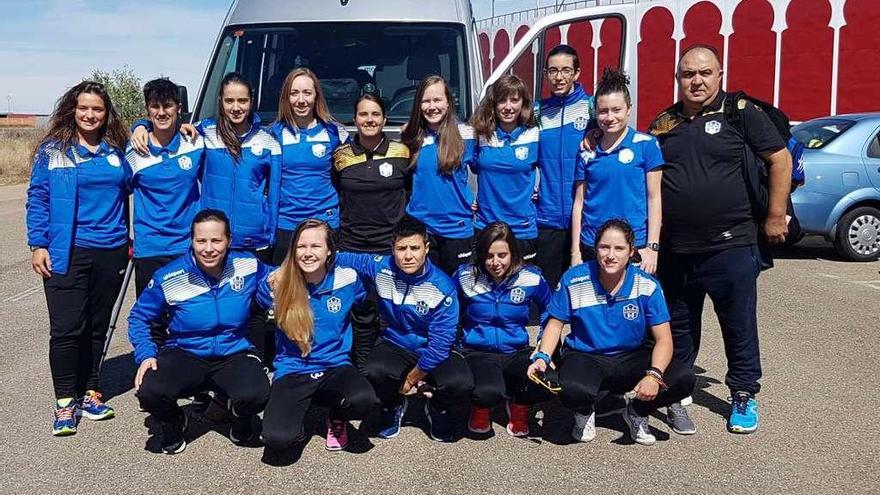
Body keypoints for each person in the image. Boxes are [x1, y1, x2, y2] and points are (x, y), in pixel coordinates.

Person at [648, 45, 792, 434]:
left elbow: (780, 159)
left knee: (737, 322)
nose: (696, 80)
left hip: (731, 243)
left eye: (704, 73)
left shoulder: (740, 113)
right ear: (677, 78)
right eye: (687, 74)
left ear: (719, 74)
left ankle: (743, 394)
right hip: (676, 247)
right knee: (678, 324)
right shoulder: (664, 123)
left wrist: (776, 215)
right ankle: (678, 388)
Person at [527, 219, 696, 445]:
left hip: (632, 355)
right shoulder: (574, 278)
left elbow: (664, 339)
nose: (611, 255)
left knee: (683, 379)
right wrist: (542, 357)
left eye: (619, 248)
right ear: (595, 249)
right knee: (571, 389)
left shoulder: (647, 285)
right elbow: (555, 324)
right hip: (587, 356)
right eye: (604, 247)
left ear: (631, 252)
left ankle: (637, 411)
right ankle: (584, 411)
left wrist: (653, 375)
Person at [26, 81, 130, 436]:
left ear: (106, 114)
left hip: (111, 249)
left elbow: (147, 170)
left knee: (98, 326)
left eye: (97, 109)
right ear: (73, 109)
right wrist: (37, 244)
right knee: (67, 328)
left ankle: (90, 392)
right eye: (84, 108)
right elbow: (38, 197)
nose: (90, 115)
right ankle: (65, 403)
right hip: (65, 251)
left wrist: (146, 126)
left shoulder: (118, 150)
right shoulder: (54, 151)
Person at [128, 209, 272, 455]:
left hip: (232, 351)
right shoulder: (169, 276)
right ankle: (173, 421)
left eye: (216, 240)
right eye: (201, 241)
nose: (208, 248)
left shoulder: (248, 265)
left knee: (258, 393)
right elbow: (139, 317)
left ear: (228, 240)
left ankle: (237, 414)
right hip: (186, 352)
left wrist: (277, 282)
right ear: (191, 241)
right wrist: (146, 354)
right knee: (149, 390)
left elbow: (277, 277)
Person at [337, 216, 474, 442]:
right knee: (373, 370)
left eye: (414, 248)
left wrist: (411, 380)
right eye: (401, 248)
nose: (408, 255)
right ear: (393, 248)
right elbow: (346, 258)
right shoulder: (381, 267)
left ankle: (437, 408)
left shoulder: (443, 287)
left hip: (432, 348)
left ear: (426, 248)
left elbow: (440, 346)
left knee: (460, 383)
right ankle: (392, 405)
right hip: (396, 343)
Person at [259, 219, 380, 454]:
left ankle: (336, 417)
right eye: (301, 247)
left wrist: (363, 364)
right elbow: (255, 317)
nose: (307, 253)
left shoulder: (349, 279)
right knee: (277, 439)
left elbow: (366, 313)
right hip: (293, 369)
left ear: (329, 251)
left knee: (365, 400)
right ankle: (297, 421)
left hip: (335, 366)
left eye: (315, 246)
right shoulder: (276, 283)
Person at [332, 94, 412, 372]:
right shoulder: (340, 156)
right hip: (352, 247)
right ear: (355, 120)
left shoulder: (402, 152)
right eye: (363, 114)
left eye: (375, 114)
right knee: (360, 313)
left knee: (391, 312)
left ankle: (390, 373)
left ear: (384, 119)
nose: (369, 120)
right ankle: (363, 369)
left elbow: (412, 191)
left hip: (388, 248)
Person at [125, 77, 205, 345]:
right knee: (153, 319)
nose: (161, 112)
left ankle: (188, 371)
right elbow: (116, 193)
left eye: (167, 106)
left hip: (186, 246)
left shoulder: (194, 141)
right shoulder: (134, 150)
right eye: (155, 106)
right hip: (150, 248)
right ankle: (154, 370)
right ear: (147, 110)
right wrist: (138, 127)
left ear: (178, 108)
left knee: (188, 314)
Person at [454, 222, 552, 437]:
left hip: (516, 350)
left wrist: (543, 347)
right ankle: (480, 408)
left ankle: (518, 406)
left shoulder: (532, 276)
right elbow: (449, 311)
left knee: (548, 383)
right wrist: (454, 346)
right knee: (487, 393)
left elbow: (550, 311)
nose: (495, 262)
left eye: (502, 255)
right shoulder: (465, 276)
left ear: (513, 253)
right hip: (478, 351)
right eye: (489, 256)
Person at [571, 68, 663, 274]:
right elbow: (579, 202)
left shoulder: (646, 145)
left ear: (629, 109)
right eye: (603, 111)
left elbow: (654, 198)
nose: (610, 117)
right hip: (592, 243)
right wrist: (575, 251)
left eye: (616, 110)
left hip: (633, 245)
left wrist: (652, 247)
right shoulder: (587, 150)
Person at [268, 68, 350, 265]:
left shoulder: (335, 133)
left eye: (307, 93)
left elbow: (348, 178)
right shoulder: (272, 135)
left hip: (325, 222)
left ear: (316, 96)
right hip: (287, 225)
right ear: (286, 98)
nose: (301, 100)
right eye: (294, 93)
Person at [533, 44, 595, 289]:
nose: (559, 77)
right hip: (547, 217)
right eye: (553, 71)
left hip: (584, 216)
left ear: (577, 73)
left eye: (566, 70)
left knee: (583, 290)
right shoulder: (539, 111)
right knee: (548, 293)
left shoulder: (592, 108)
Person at [402, 75, 476, 275]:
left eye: (437, 100)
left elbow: (488, 169)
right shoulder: (410, 136)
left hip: (457, 228)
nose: (431, 106)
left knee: (460, 293)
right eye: (426, 101)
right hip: (422, 228)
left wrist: (475, 199)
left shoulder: (467, 134)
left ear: (448, 102)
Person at [470, 75, 540, 260]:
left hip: (522, 227)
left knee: (522, 286)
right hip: (486, 226)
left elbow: (553, 166)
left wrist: (540, 190)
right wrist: (467, 197)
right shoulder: (480, 134)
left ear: (523, 103)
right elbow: (459, 167)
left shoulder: (534, 133)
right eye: (502, 100)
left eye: (514, 100)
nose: (508, 107)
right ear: (493, 104)